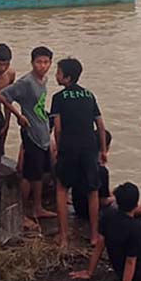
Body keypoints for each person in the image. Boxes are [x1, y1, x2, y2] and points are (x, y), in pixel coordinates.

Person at [50, 57, 107, 247]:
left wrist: (58, 148)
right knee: (92, 190)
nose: (56, 75)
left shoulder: (58, 98)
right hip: (89, 146)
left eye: (58, 72)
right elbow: (99, 124)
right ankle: (93, 236)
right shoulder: (90, 95)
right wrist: (104, 150)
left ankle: (64, 236)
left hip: (69, 146)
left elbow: (57, 128)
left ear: (66, 77)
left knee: (61, 188)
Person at [0, 46, 55, 232]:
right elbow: (2, 96)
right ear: (32, 63)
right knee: (28, 175)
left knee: (38, 174)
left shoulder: (43, 80)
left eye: (46, 62)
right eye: (39, 62)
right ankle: (22, 213)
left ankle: (37, 207)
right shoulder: (26, 82)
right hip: (31, 133)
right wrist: (18, 116)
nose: (43, 65)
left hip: (42, 133)